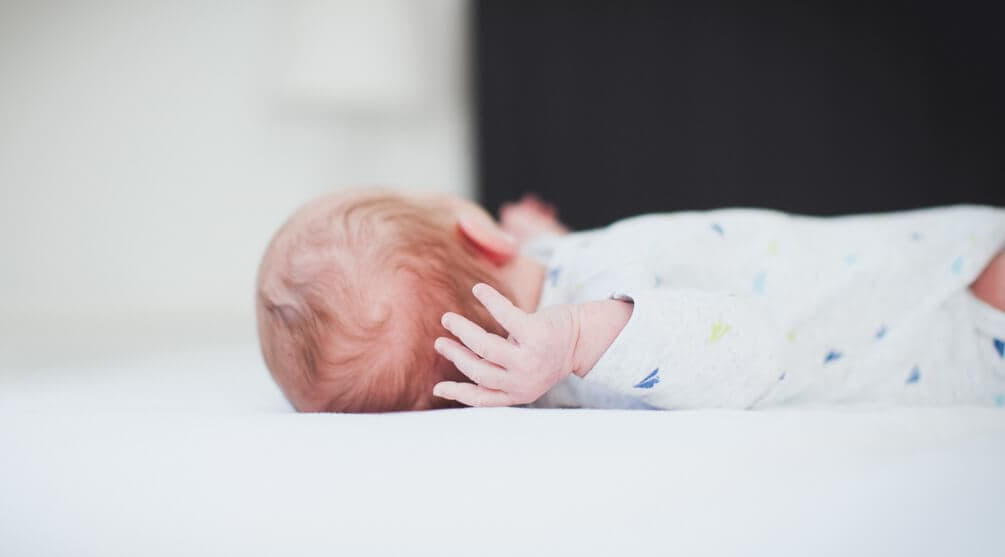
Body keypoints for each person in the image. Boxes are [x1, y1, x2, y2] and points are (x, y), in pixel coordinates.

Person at [256, 189, 1005, 411]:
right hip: (940, 313)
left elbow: (615, 290)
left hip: (916, 270)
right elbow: (743, 351)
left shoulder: (577, 292)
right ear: (477, 234)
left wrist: (549, 244)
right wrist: (581, 336)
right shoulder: (588, 343)